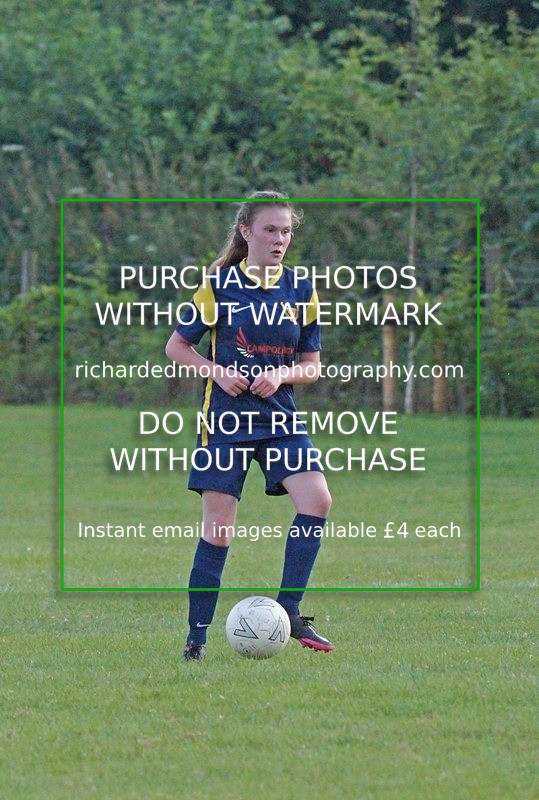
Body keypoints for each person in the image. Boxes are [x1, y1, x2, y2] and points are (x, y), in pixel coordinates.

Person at [165, 191, 333, 660]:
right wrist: (217, 370)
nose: (280, 240)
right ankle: (196, 639)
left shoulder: (301, 288)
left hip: (280, 418)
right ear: (246, 232)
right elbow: (177, 347)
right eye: (270, 230)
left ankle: (290, 611)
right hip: (226, 421)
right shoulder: (218, 285)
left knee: (317, 500)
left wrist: (281, 373)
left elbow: (312, 365)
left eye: (286, 232)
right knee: (219, 529)